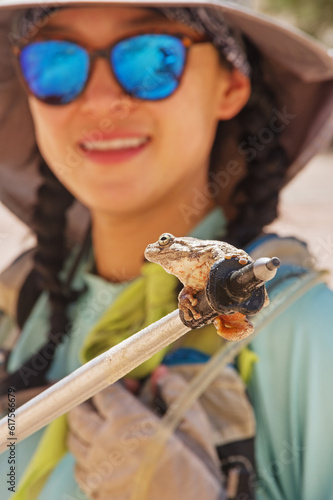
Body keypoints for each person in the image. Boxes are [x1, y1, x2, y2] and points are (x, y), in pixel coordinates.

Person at [0, 1, 332, 499]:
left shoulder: (300, 325)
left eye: (151, 59)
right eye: (56, 64)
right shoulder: (15, 310)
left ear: (231, 85)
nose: (101, 100)